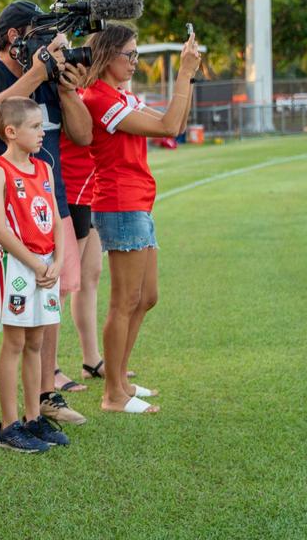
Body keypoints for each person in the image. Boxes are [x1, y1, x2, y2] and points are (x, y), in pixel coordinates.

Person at [0, 0, 92, 430]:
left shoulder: (49, 81)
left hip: (49, 211)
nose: (50, 44)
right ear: (15, 37)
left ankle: (46, 394)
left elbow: (83, 135)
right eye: (41, 35)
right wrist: (38, 71)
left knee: (49, 305)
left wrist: (65, 86)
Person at [81, 24, 200, 414]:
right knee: (124, 301)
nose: (134, 62)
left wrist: (190, 75)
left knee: (147, 297)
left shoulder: (121, 94)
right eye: (128, 55)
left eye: (136, 55)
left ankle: (122, 378)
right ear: (107, 56)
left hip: (138, 201)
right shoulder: (99, 98)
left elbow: (175, 125)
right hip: (119, 202)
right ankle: (113, 393)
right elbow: (168, 125)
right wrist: (182, 73)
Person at [0, 97, 72, 452]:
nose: (42, 134)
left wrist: (58, 261)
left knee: (36, 342)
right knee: (15, 342)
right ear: (11, 131)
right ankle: (7, 426)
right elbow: (0, 228)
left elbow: (55, 218)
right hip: (18, 266)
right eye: (36, 127)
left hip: (46, 264)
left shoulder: (44, 169)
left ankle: (33, 417)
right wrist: (35, 264)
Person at [59, 101, 105, 387]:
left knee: (91, 275)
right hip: (71, 187)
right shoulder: (71, 89)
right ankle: (48, 371)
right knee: (62, 284)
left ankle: (92, 359)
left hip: (91, 190)